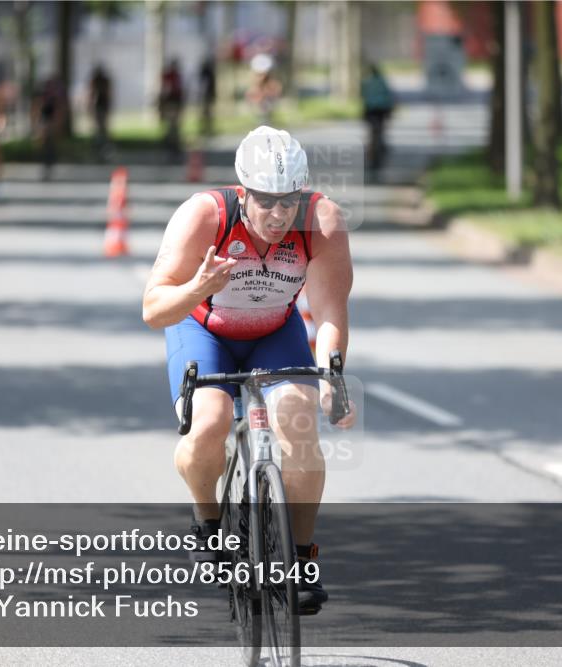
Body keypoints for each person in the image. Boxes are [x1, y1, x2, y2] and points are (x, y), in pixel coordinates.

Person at [142, 126, 356, 615]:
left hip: (272, 333)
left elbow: (328, 315)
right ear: (242, 192)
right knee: (210, 422)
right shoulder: (203, 216)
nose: (278, 215)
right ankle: (206, 517)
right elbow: (154, 310)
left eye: (288, 201)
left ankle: (300, 559)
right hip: (203, 331)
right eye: (265, 201)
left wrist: (331, 381)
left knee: (300, 424)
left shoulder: (322, 221)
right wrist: (197, 288)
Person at [361, 63, 395, 174]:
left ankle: (371, 152)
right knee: (380, 130)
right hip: (382, 110)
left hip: (370, 109)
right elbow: (388, 95)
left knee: (372, 132)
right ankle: (381, 145)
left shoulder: (367, 81)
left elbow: (363, 95)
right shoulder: (382, 81)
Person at [32, 75, 67, 180]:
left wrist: (57, 124)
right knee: (44, 142)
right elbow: (37, 109)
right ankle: (45, 164)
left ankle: (49, 163)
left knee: (50, 143)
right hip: (45, 119)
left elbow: (59, 110)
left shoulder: (54, 97)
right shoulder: (43, 96)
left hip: (51, 119)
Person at [158, 59, 184, 158]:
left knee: (173, 125)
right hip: (171, 102)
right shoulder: (170, 76)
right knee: (172, 125)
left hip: (174, 102)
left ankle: (173, 144)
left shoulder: (176, 76)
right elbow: (165, 90)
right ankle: (171, 144)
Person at [246, 54, 281, 126]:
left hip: (267, 108)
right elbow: (251, 95)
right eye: (260, 74)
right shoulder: (253, 87)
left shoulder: (273, 84)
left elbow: (276, 91)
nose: (262, 76)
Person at [88, 64, 112, 153]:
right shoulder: (98, 81)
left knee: (102, 126)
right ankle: (99, 145)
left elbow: (107, 93)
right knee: (99, 126)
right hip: (100, 105)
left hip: (102, 105)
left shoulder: (103, 82)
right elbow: (92, 93)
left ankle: (103, 145)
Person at [198, 57, 217, 137]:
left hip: (208, 95)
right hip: (206, 96)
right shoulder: (206, 73)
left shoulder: (209, 73)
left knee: (208, 113)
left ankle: (207, 129)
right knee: (205, 113)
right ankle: (205, 129)